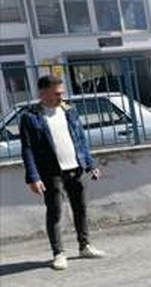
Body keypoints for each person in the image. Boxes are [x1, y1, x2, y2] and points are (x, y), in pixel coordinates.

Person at [19, 75, 105, 270]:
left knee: (80, 208)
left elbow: (81, 139)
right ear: (43, 93)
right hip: (51, 173)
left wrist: (90, 164)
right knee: (56, 212)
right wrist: (33, 177)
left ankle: (85, 246)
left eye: (62, 93)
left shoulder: (69, 110)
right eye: (57, 93)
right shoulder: (30, 117)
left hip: (75, 168)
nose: (61, 96)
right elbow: (28, 149)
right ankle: (58, 253)